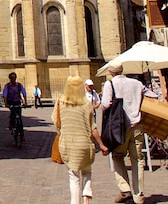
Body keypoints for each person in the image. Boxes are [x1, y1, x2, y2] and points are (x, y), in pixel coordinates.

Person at [54, 75, 109, 204]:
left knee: (73, 177)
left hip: (68, 144)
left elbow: (57, 123)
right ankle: (86, 196)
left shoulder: (60, 102)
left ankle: (75, 202)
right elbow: (93, 127)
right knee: (87, 171)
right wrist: (101, 144)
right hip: (84, 144)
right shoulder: (86, 104)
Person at [100, 61, 147, 204]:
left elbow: (106, 104)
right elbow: (151, 95)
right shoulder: (136, 83)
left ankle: (125, 189)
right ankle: (139, 196)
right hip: (137, 125)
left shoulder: (110, 84)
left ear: (110, 72)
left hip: (120, 128)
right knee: (138, 160)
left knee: (117, 156)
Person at [2, 72, 28, 137]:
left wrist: (25, 102)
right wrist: (6, 103)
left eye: (14, 78)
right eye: (11, 78)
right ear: (10, 79)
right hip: (10, 102)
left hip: (17, 101)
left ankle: (22, 135)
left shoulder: (19, 85)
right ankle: (11, 124)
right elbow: (5, 95)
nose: (13, 79)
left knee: (19, 118)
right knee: (13, 113)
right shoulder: (7, 86)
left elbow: (24, 93)